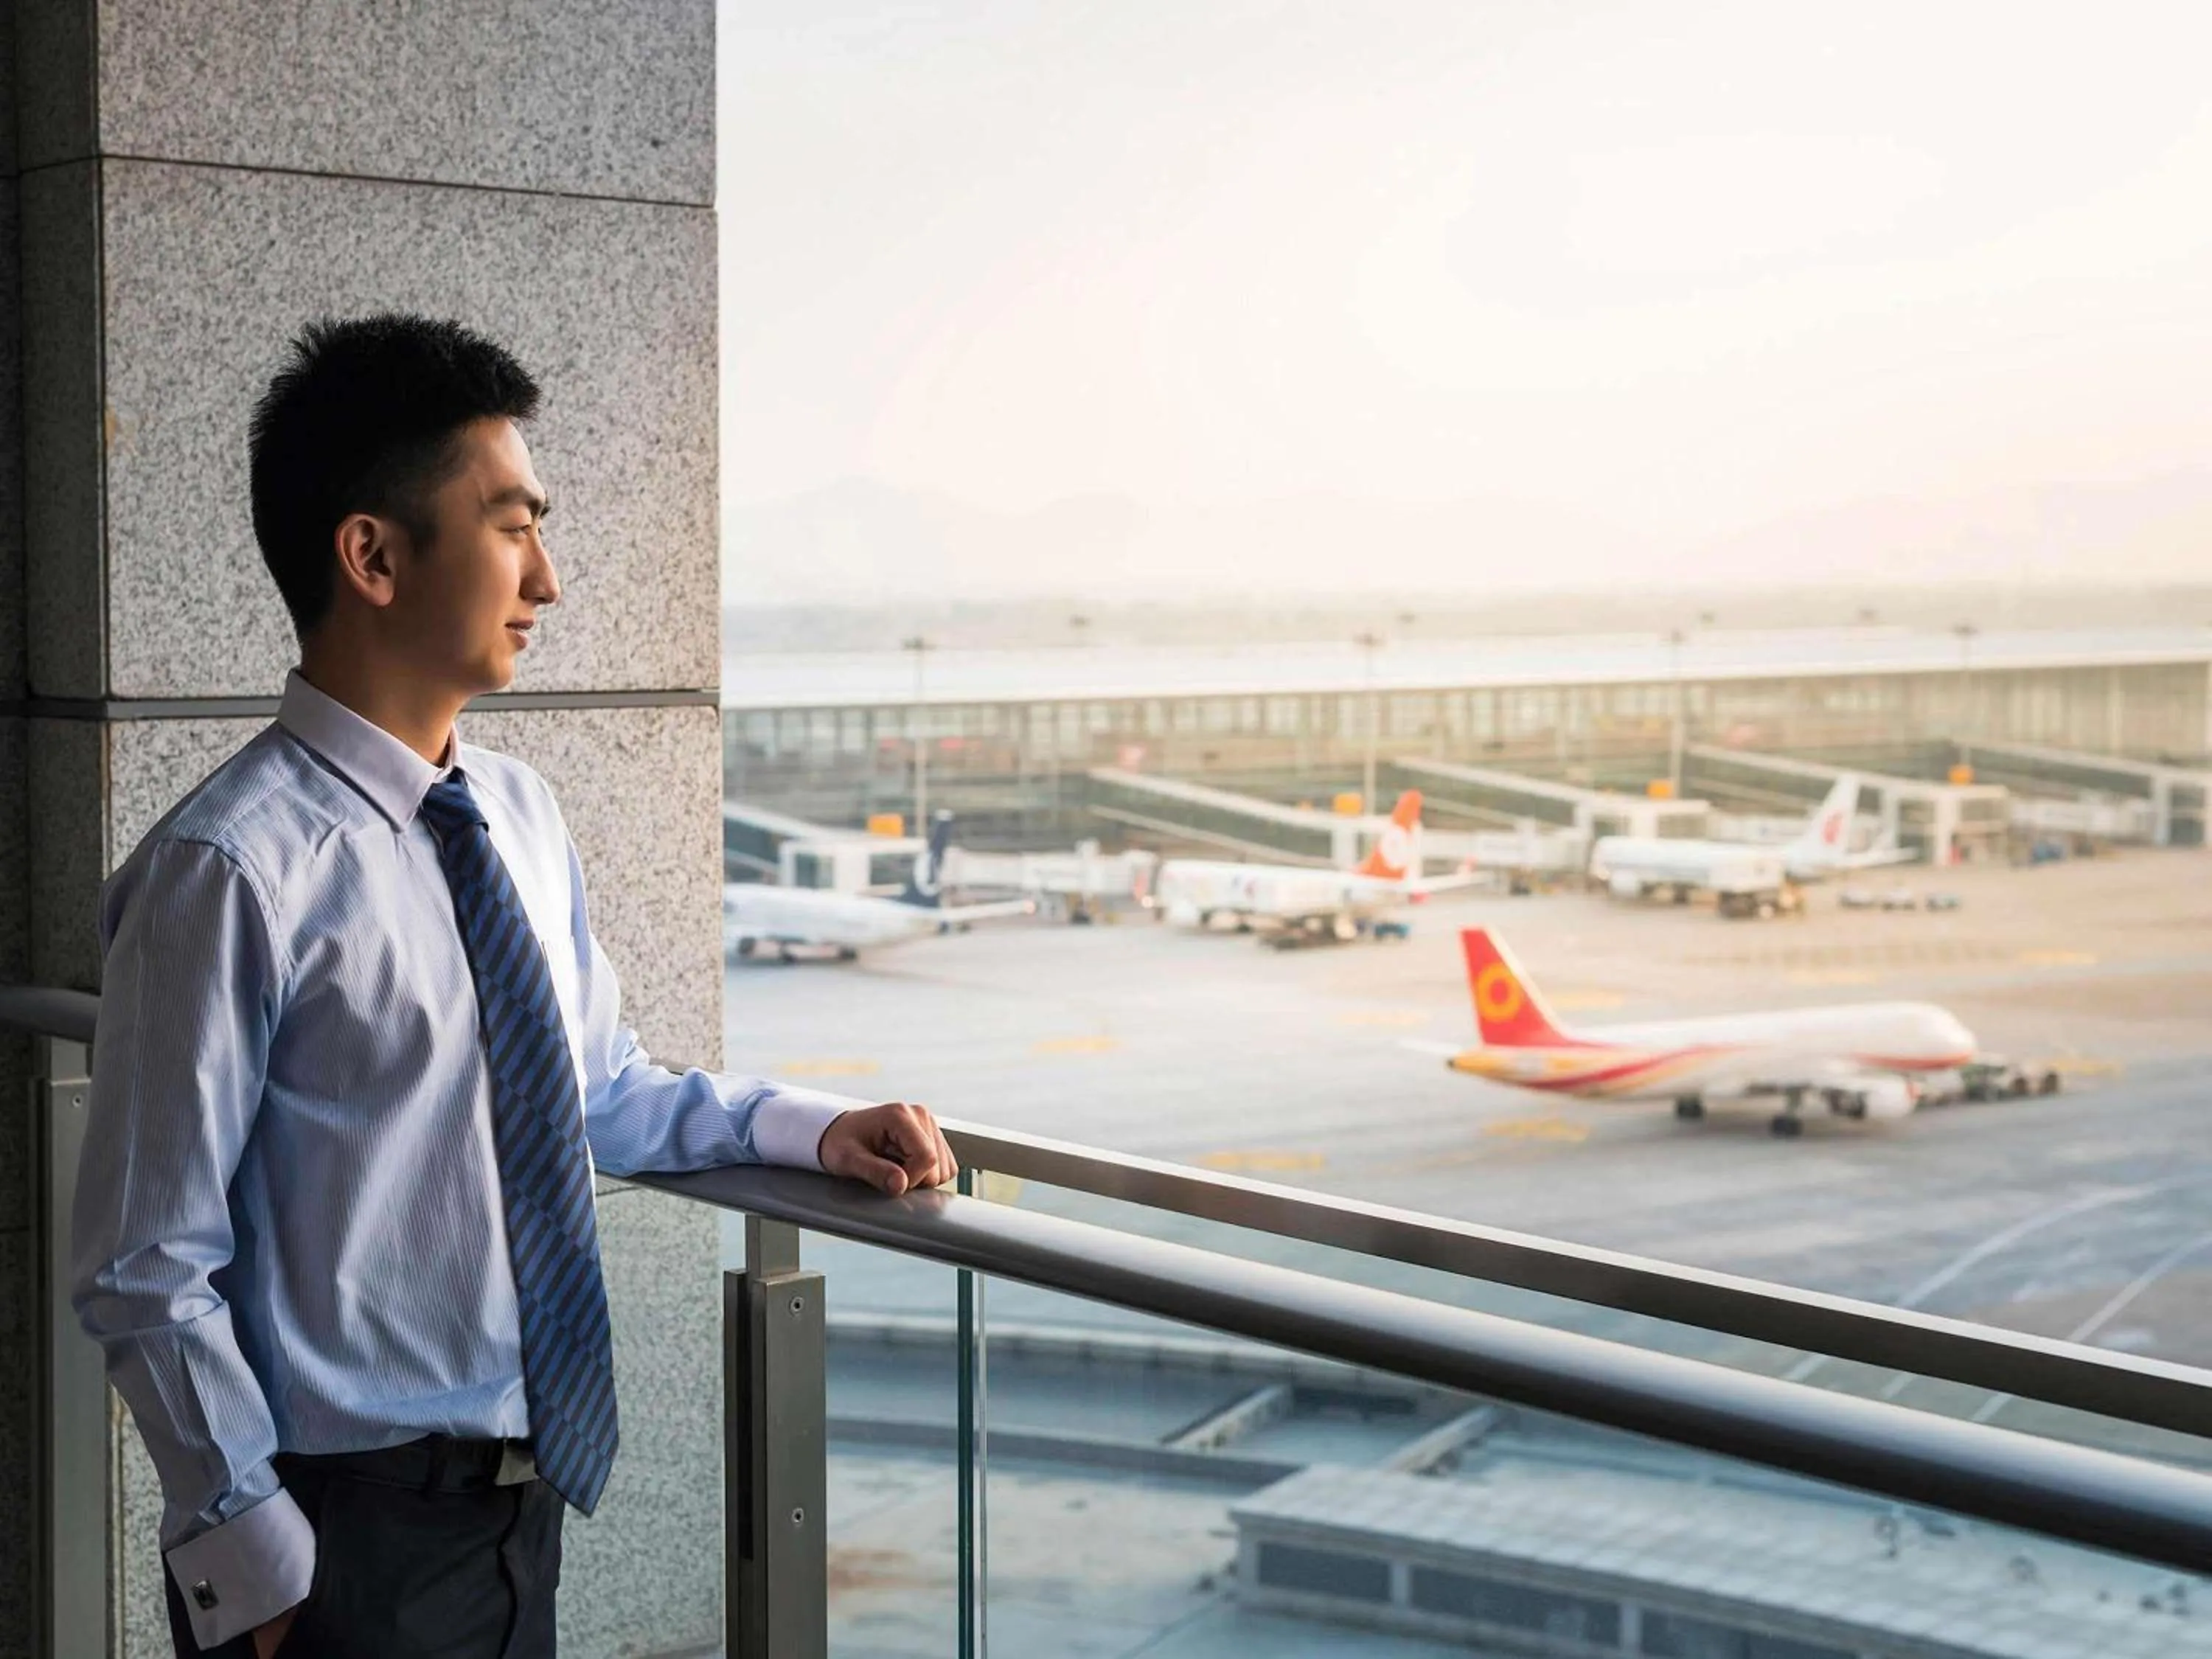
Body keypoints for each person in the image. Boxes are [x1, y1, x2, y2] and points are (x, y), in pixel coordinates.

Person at [72, 314, 958, 1659]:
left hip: (516, 1522)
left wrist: (808, 1129)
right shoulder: (230, 869)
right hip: (334, 1547)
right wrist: (256, 1553)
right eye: (510, 525)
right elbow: (144, 1260)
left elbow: (593, 1089)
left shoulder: (519, 817)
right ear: (371, 555)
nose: (547, 577)